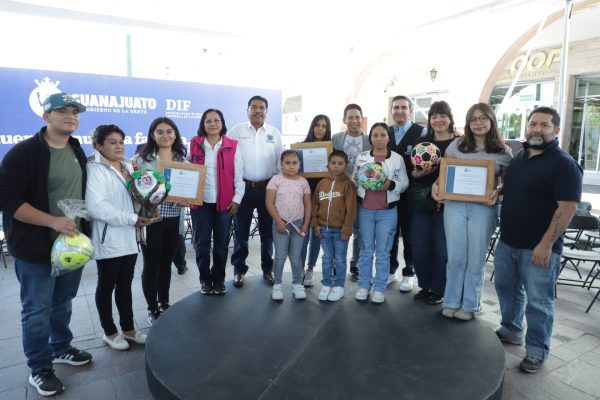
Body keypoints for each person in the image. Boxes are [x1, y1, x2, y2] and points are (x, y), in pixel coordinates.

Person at [0, 93, 92, 396]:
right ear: (46, 117)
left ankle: (61, 346)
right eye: (62, 111)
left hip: (71, 247)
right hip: (35, 248)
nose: (71, 116)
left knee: (63, 300)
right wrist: (52, 221)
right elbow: (8, 201)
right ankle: (39, 367)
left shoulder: (76, 149)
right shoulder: (23, 153)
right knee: (36, 309)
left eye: (75, 112)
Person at [493, 106, 582, 373]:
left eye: (544, 125)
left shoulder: (564, 164)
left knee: (539, 302)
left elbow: (567, 207)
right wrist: (498, 190)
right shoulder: (521, 156)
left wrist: (545, 244)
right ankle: (511, 330)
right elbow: (514, 186)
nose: (537, 129)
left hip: (539, 247)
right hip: (508, 241)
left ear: (556, 130)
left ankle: (536, 350)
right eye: (533, 124)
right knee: (507, 289)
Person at [433, 103, 513, 319]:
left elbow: (507, 182)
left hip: (483, 210)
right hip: (454, 207)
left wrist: (498, 190)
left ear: (491, 120)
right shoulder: (456, 145)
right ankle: (451, 301)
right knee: (455, 257)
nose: (478, 123)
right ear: (468, 123)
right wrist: (436, 186)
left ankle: (470, 305)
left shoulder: (503, 151)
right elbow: (444, 173)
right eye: (473, 119)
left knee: (476, 259)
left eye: (483, 118)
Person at [86, 124, 150, 351]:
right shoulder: (94, 168)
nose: (118, 146)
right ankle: (110, 332)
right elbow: (96, 207)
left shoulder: (128, 166)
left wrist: (148, 203)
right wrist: (132, 218)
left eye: (121, 142)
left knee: (125, 284)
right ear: (98, 145)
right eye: (112, 142)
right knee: (107, 286)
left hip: (130, 236)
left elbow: (137, 195)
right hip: (109, 237)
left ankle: (129, 329)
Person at [134, 117, 187, 324]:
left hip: (174, 219)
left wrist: (188, 199)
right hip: (151, 220)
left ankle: (164, 302)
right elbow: (133, 189)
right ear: (152, 135)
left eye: (169, 131)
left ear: (175, 134)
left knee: (166, 264)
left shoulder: (183, 160)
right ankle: (152, 307)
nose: (165, 135)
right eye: (160, 132)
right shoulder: (141, 160)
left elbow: (189, 190)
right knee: (151, 264)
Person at [229, 95, 283, 287]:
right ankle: (239, 270)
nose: (258, 111)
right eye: (254, 107)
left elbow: (280, 163)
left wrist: (278, 190)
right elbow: (231, 160)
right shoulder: (237, 131)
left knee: (267, 233)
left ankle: (267, 269)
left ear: (267, 111)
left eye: (261, 107)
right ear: (247, 110)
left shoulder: (274, 133)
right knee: (241, 232)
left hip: (268, 189)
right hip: (244, 188)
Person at [189, 109, 244, 295]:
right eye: (208, 121)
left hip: (225, 204)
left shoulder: (233, 146)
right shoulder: (195, 144)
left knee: (221, 244)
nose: (213, 124)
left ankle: (219, 280)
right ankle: (205, 280)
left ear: (222, 123)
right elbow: (186, 170)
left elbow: (239, 177)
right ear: (203, 124)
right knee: (202, 244)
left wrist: (236, 200)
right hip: (200, 203)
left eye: (216, 120)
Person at [353, 122, 408, 304]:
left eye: (382, 135)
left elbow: (404, 183)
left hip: (387, 212)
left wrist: (390, 184)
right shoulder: (362, 157)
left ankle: (379, 288)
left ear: (388, 138)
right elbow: (355, 180)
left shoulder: (397, 159)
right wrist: (356, 179)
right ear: (370, 138)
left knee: (383, 252)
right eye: (375, 135)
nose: (378, 139)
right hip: (365, 211)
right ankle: (364, 285)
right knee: (366, 250)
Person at [410, 101, 457, 305]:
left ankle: (439, 289)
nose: (438, 120)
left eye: (442, 115)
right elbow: (411, 173)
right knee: (421, 246)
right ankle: (425, 285)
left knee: (442, 249)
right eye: (434, 116)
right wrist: (419, 173)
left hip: (449, 204)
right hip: (423, 202)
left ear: (450, 118)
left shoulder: (459, 144)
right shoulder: (422, 142)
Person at [387, 95, 426, 292]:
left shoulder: (421, 132)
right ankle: (390, 270)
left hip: (412, 194)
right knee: (390, 233)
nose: (399, 111)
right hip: (389, 192)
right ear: (391, 111)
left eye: (404, 107)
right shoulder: (385, 132)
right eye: (396, 107)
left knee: (410, 235)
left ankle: (409, 272)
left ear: (411, 110)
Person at [265, 150, 311, 300]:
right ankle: (277, 285)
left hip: (299, 224)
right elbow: (269, 203)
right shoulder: (275, 180)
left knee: (296, 256)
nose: (291, 166)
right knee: (280, 255)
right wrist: (279, 221)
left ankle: (297, 284)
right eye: (287, 163)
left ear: (299, 164)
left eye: (294, 163)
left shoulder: (303, 182)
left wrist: (306, 224)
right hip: (281, 224)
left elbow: (307, 204)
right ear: (281, 164)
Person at [332, 104, 371, 281]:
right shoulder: (336, 138)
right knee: (338, 227)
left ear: (361, 119)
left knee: (359, 230)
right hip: (340, 189)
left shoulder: (369, 140)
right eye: (350, 117)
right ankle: (336, 263)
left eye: (357, 117)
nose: (354, 121)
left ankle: (356, 265)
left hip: (361, 191)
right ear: (344, 119)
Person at [311, 150, 356, 301]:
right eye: (333, 163)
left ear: (346, 166)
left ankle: (338, 286)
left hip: (340, 230)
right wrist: (316, 224)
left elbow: (351, 209)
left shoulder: (348, 184)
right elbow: (315, 205)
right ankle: (327, 284)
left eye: (340, 163)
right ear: (328, 164)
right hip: (323, 229)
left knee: (340, 259)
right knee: (326, 258)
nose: (336, 166)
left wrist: (347, 229)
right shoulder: (322, 183)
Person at [300, 114, 332, 287]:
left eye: (324, 126)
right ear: (312, 127)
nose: (320, 129)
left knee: (317, 234)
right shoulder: (300, 148)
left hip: (322, 198)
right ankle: (299, 269)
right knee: (303, 234)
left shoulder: (330, 150)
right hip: (303, 197)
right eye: (317, 125)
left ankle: (310, 269)